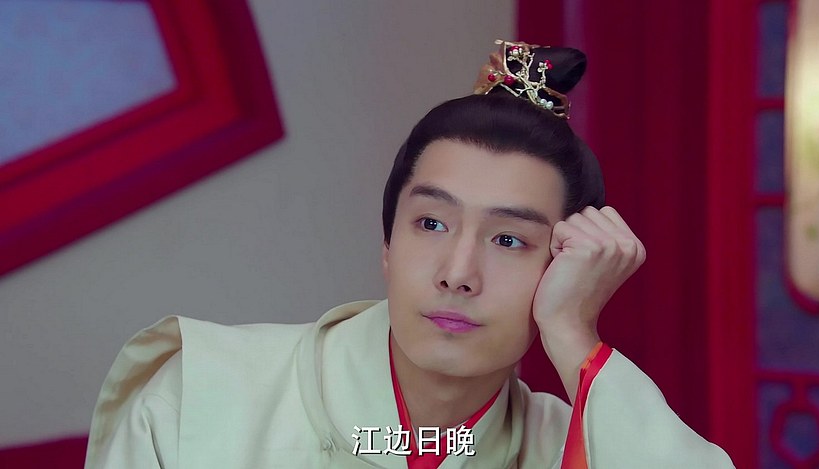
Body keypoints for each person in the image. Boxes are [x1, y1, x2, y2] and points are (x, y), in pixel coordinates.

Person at [84, 40, 735, 468]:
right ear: (387, 246)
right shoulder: (203, 394)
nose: (457, 273)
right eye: (430, 223)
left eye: (509, 240)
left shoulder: (564, 444)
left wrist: (571, 333)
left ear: (561, 264)